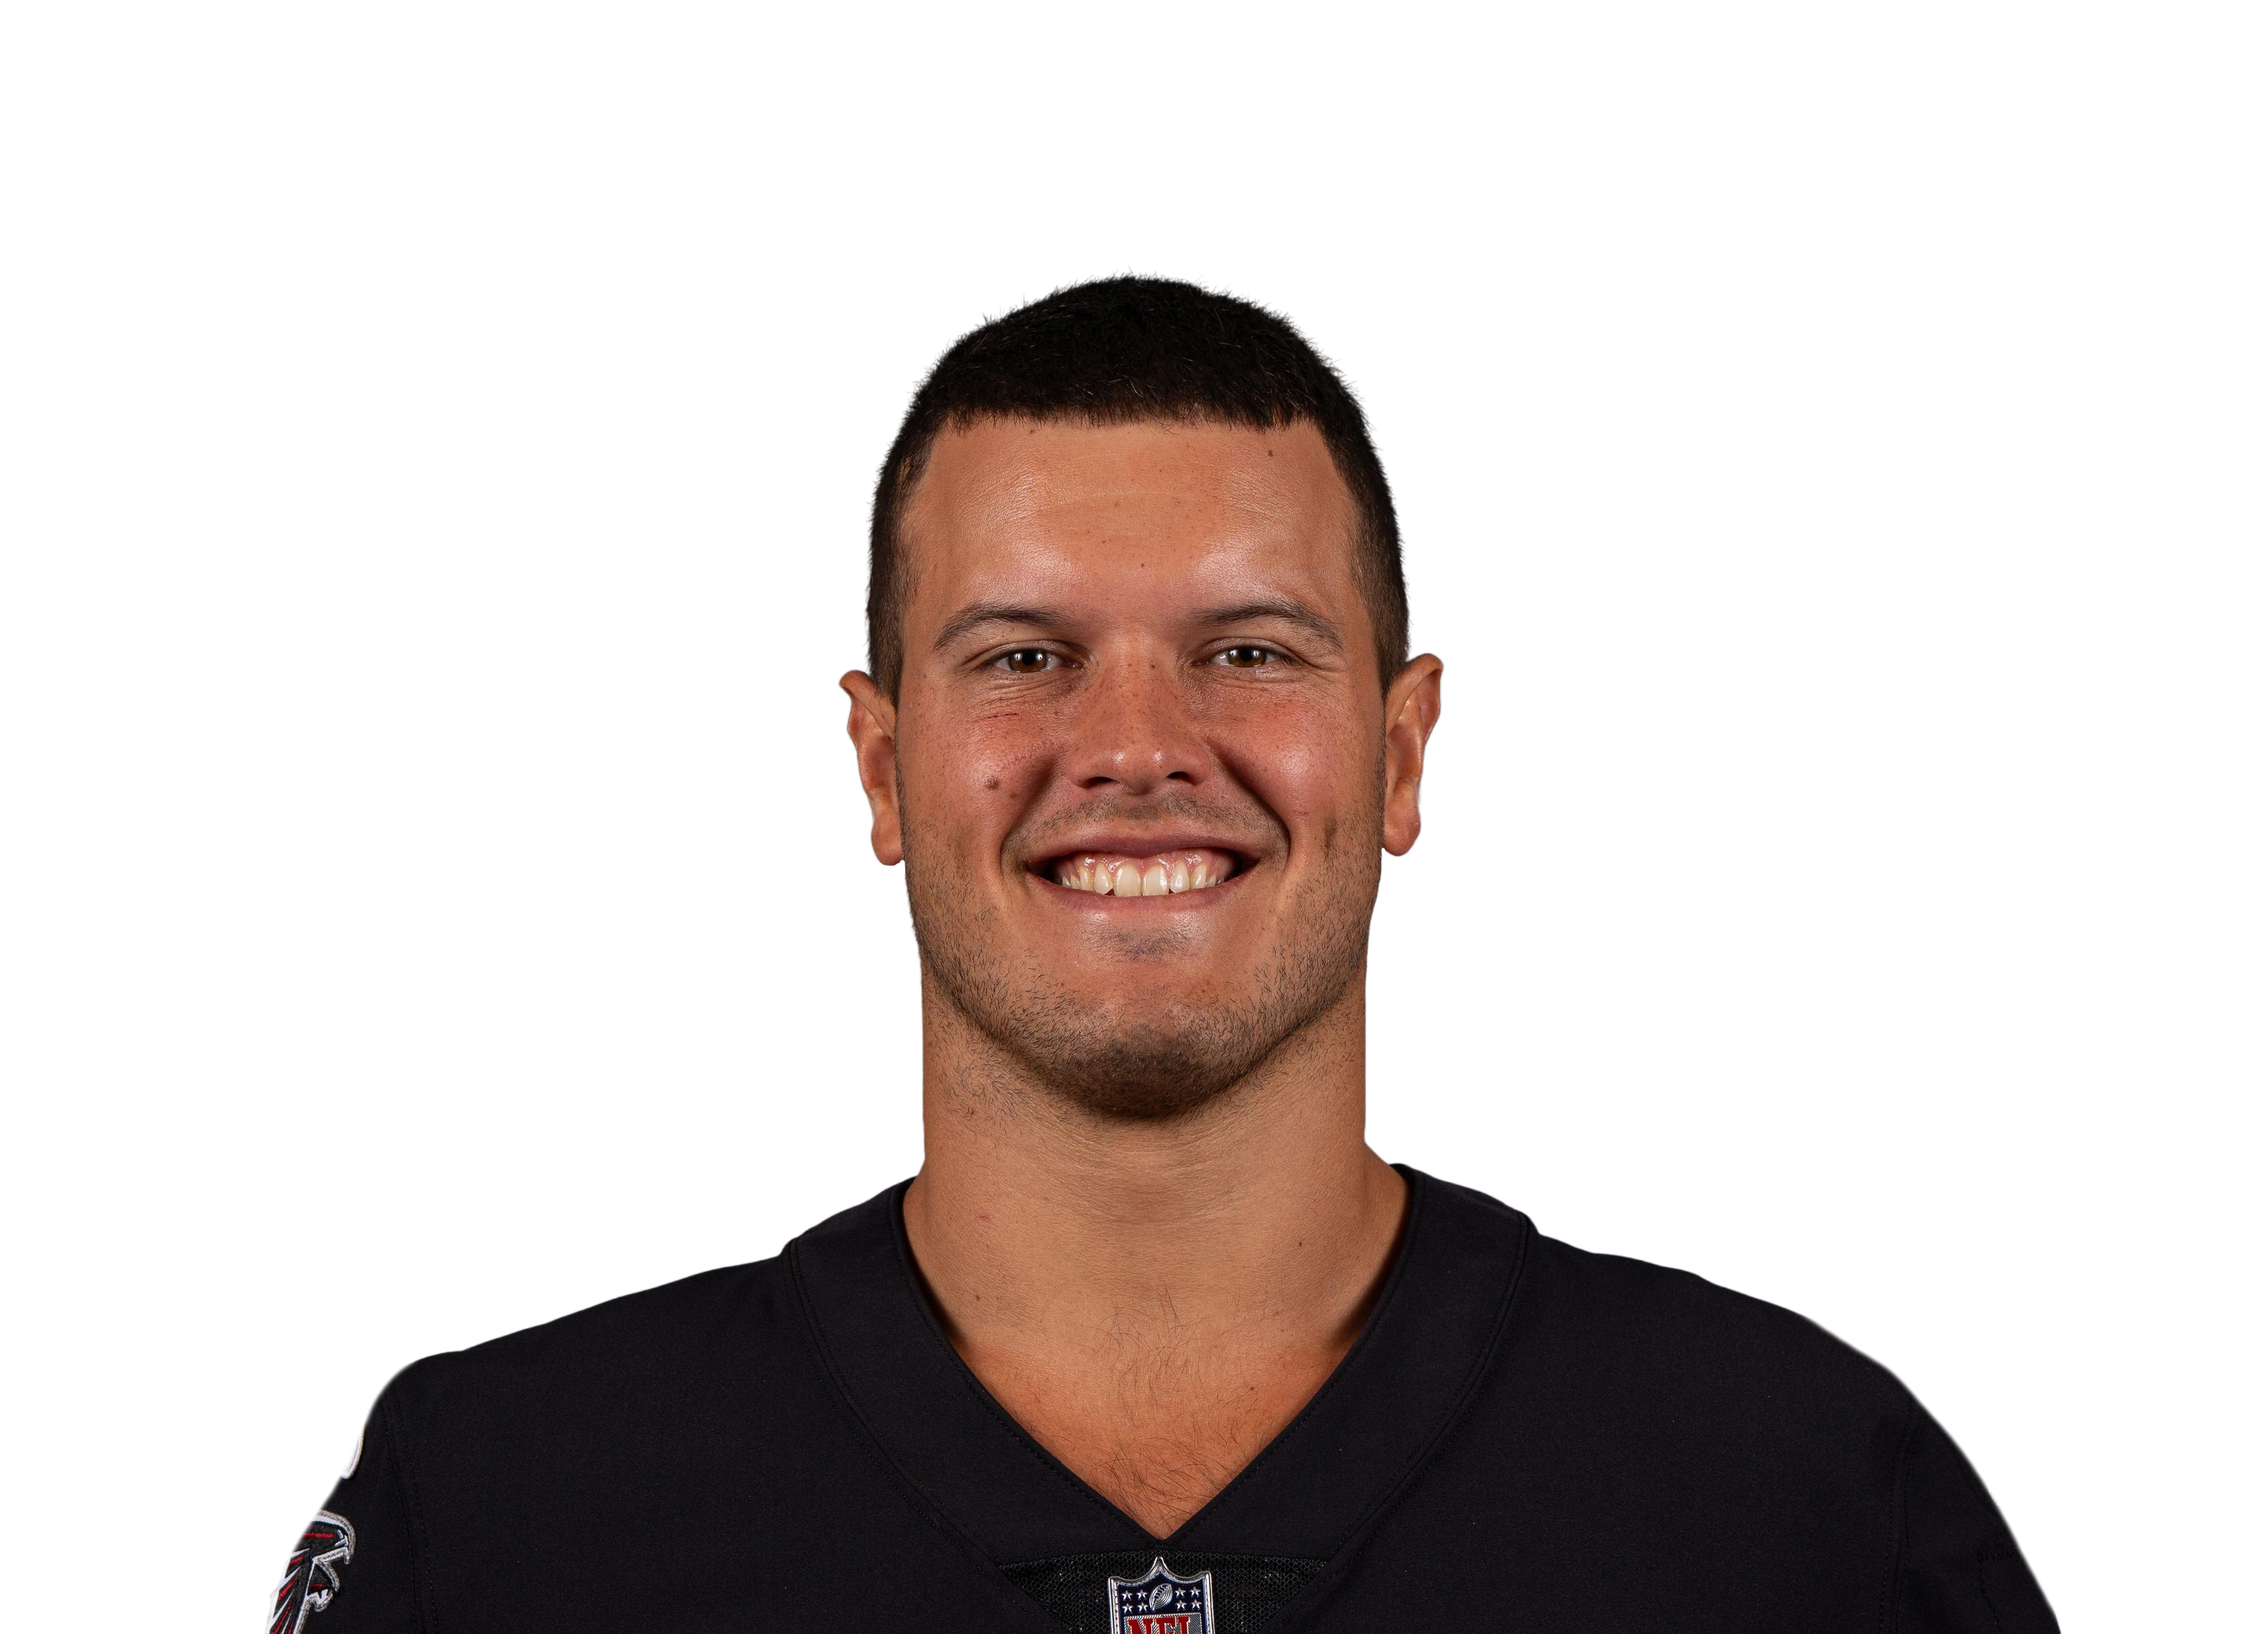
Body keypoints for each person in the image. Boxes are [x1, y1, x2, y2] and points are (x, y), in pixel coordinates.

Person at [266, 271, 2059, 1632]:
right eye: (1023, 658)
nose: (1135, 748)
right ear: (881, 765)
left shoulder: (1805, 1496)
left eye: (1251, 652)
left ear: (1403, 751)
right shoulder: (493, 1507)